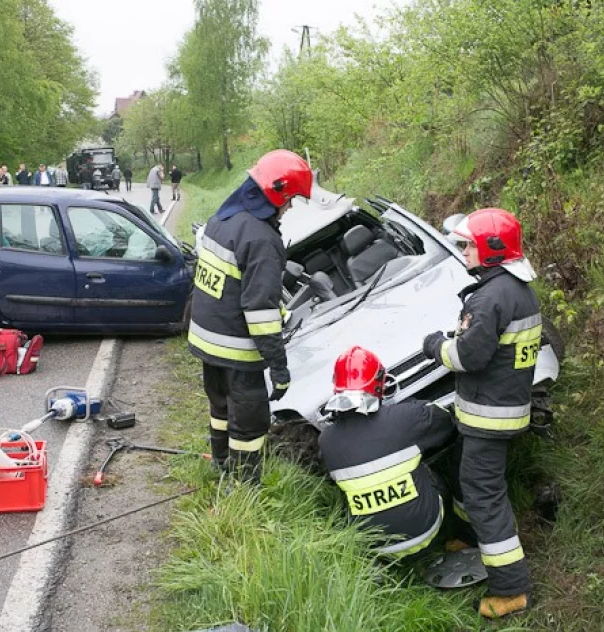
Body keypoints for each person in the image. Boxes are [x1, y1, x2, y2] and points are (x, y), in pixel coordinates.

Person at [421, 208, 541, 619]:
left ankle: (511, 590)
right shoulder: (517, 289)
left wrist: (435, 345)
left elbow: (468, 356)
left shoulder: (490, 297)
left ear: (492, 250)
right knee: (464, 474)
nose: (464, 251)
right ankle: (471, 539)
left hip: (490, 417)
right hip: (502, 409)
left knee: (483, 495)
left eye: (469, 245)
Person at [187, 149, 313, 485]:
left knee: (220, 410)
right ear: (277, 194)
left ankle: (220, 464)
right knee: (250, 424)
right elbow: (259, 314)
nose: (289, 207)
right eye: (291, 200)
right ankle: (243, 489)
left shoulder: (222, 219)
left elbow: (226, 285)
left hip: (206, 340)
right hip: (237, 351)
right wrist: (279, 365)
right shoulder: (262, 239)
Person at [319, 346, 456, 558]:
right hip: (425, 534)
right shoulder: (406, 418)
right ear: (380, 383)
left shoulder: (326, 440)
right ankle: (450, 533)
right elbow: (446, 423)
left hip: (374, 549)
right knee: (430, 471)